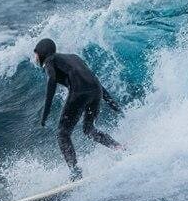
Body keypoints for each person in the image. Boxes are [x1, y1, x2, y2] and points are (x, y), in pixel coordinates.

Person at [34, 38, 122, 181]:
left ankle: (75, 172)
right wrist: (113, 104)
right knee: (89, 129)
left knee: (62, 134)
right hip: (96, 90)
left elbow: (51, 80)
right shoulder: (74, 57)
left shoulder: (50, 60)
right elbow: (94, 80)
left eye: (36, 53)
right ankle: (118, 147)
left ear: (43, 52)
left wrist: (45, 113)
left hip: (79, 91)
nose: (36, 57)